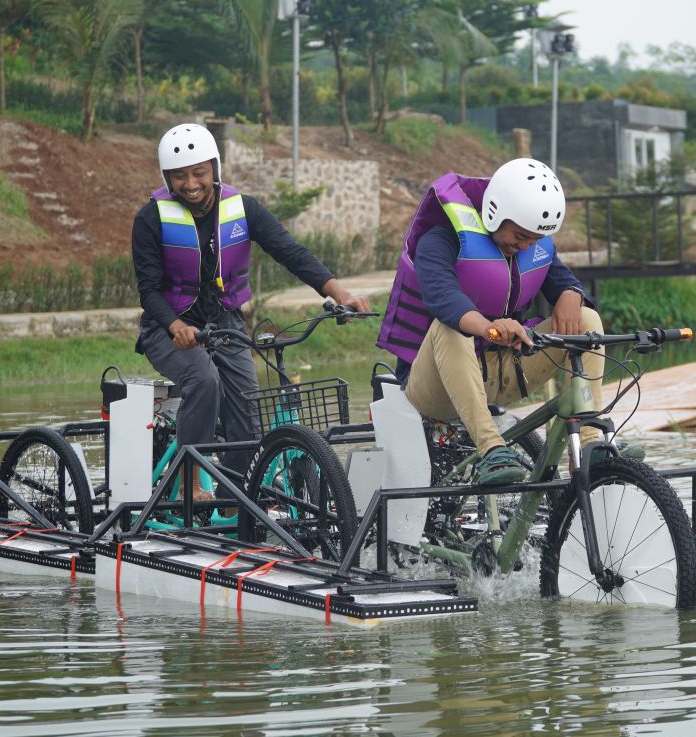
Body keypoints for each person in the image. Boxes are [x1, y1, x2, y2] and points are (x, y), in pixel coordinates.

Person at [133, 123, 370, 499]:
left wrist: (340, 293)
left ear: (215, 169)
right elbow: (148, 290)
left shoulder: (243, 209)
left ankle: (234, 502)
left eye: (199, 172)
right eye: (179, 176)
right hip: (168, 328)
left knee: (246, 404)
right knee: (203, 380)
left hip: (225, 323)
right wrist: (175, 325)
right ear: (167, 178)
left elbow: (291, 252)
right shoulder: (151, 219)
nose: (190, 183)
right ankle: (190, 483)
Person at [375, 157, 606, 486]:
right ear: (496, 211)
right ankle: (491, 449)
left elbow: (564, 281)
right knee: (449, 327)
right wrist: (489, 327)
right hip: (434, 386)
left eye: (534, 239)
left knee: (587, 317)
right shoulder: (438, 241)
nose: (525, 245)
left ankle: (590, 441)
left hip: (503, 373)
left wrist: (571, 293)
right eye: (520, 235)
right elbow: (445, 300)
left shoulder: (531, 243)